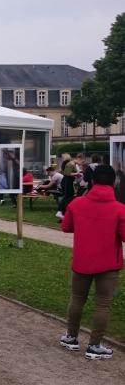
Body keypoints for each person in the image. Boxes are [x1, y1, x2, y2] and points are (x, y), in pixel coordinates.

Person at [59, 164, 125, 360]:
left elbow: (66, 227)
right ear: (114, 182)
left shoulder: (77, 203)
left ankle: (71, 337)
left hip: (82, 260)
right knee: (102, 304)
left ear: (93, 181)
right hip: (108, 263)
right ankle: (94, 345)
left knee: (77, 299)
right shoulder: (120, 209)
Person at [56, 153, 79, 220]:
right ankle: (62, 212)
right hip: (68, 181)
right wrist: (77, 173)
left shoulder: (64, 164)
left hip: (65, 181)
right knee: (68, 198)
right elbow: (68, 173)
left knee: (66, 197)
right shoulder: (70, 164)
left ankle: (61, 212)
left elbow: (63, 171)